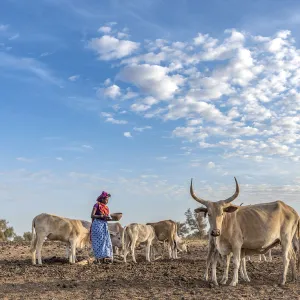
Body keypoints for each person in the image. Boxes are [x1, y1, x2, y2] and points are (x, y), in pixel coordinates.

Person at [90, 191, 113, 263]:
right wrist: (102, 216)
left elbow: (105, 217)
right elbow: (92, 215)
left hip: (104, 225)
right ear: (102, 199)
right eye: (106, 199)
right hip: (97, 225)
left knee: (106, 241)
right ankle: (98, 259)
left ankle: (105, 258)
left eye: (108, 200)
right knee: (99, 242)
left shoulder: (106, 208)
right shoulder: (97, 205)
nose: (107, 201)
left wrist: (107, 218)